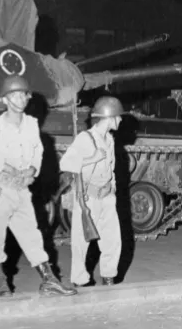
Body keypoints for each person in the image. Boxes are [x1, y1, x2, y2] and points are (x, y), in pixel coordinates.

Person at [0, 75, 77, 298]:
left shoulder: (31, 124)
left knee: (32, 236)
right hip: (0, 189)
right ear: (4, 100)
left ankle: (49, 280)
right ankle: (1, 281)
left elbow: (38, 152)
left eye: (23, 94)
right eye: (14, 95)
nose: (20, 99)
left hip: (22, 190)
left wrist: (33, 169)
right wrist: (5, 166)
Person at [59, 95, 124, 287]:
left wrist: (112, 189)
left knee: (112, 240)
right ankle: (79, 280)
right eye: (118, 116)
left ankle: (109, 276)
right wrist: (92, 158)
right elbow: (65, 163)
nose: (120, 119)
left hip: (107, 196)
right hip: (88, 198)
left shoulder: (109, 139)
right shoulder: (85, 138)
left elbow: (111, 168)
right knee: (81, 242)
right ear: (109, 117)